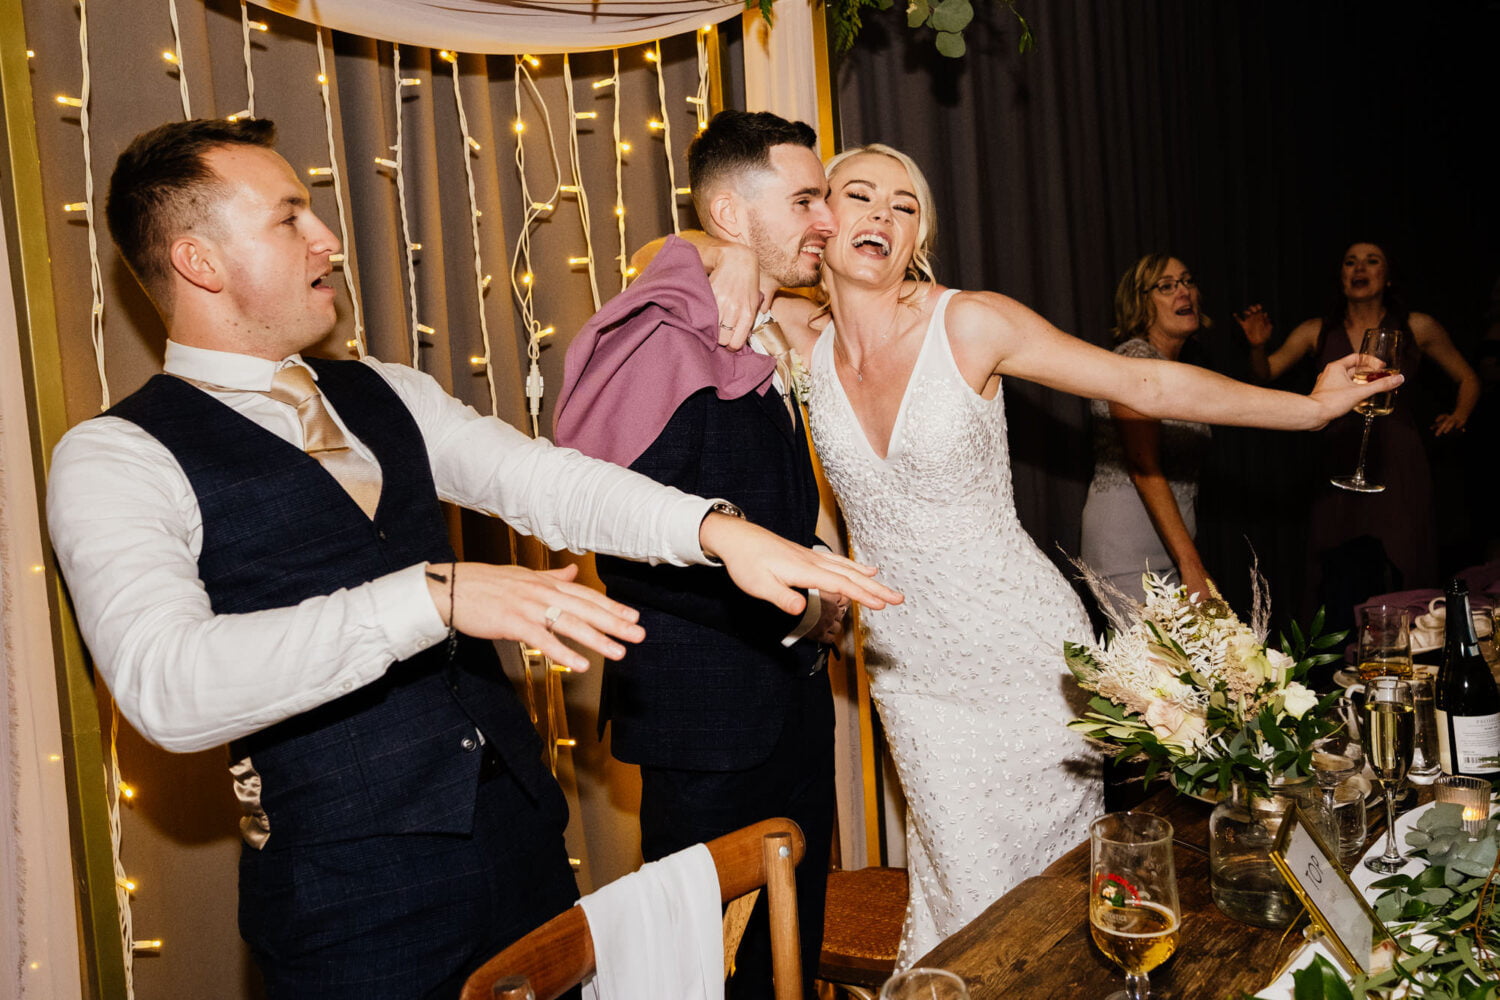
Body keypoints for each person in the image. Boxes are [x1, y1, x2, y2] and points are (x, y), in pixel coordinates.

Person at [45, 117, 900, 999]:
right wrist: (433, 595)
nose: (327, 237)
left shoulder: (386, 391)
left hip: (525, 846)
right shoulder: (114, 457)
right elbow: (165, 686)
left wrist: (717, 530)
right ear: (200, 261)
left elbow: (545, 481)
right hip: (352, 906)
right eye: (289, 217)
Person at [687, 143, 1399, 965]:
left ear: (918, 239)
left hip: (1025, 659)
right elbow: (657, 259)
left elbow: (1143, 387)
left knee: (1040, 894)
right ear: (822, 220)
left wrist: (1308, 411)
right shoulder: (798, 335)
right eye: (859, 195)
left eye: (905, 204)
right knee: (960, 886)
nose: (882, 213)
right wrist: (732, 253)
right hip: (912, 675)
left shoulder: (971, 322)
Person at [553, 110, 845, 999]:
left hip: (792, 715)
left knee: (790, 956)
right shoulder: (660, 340)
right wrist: (804, 614)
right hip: (708, 723)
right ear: (727, 212)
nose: (825, 220)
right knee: (697, 972)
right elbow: (629, 542)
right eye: (804, 200)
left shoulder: (760, 324)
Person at [1239, 241, 1480, 620]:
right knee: (1333, 565)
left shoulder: (1418, 326)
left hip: (1397, 459)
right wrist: (1257, 346)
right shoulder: (1315, 331)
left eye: (1371, 261)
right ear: (1341, 276)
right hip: (1339, 458)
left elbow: (1467, 377)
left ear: (1387, 277)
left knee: (1405, 557)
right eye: (1350, 262)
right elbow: (1264, 373)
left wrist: (1460, 414)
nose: (1359, 268)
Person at [1080, 254, 1215, 617]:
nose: (1183, 292)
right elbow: (1143, 466)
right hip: (1128, 550)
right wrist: (1192, 565)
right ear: (1140, 303)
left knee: (1191, 669)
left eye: (1187, 281)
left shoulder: (1175, 368)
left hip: (1170, 547)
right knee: (1154, 671)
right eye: (1166, 286)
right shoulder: (1135, 362)